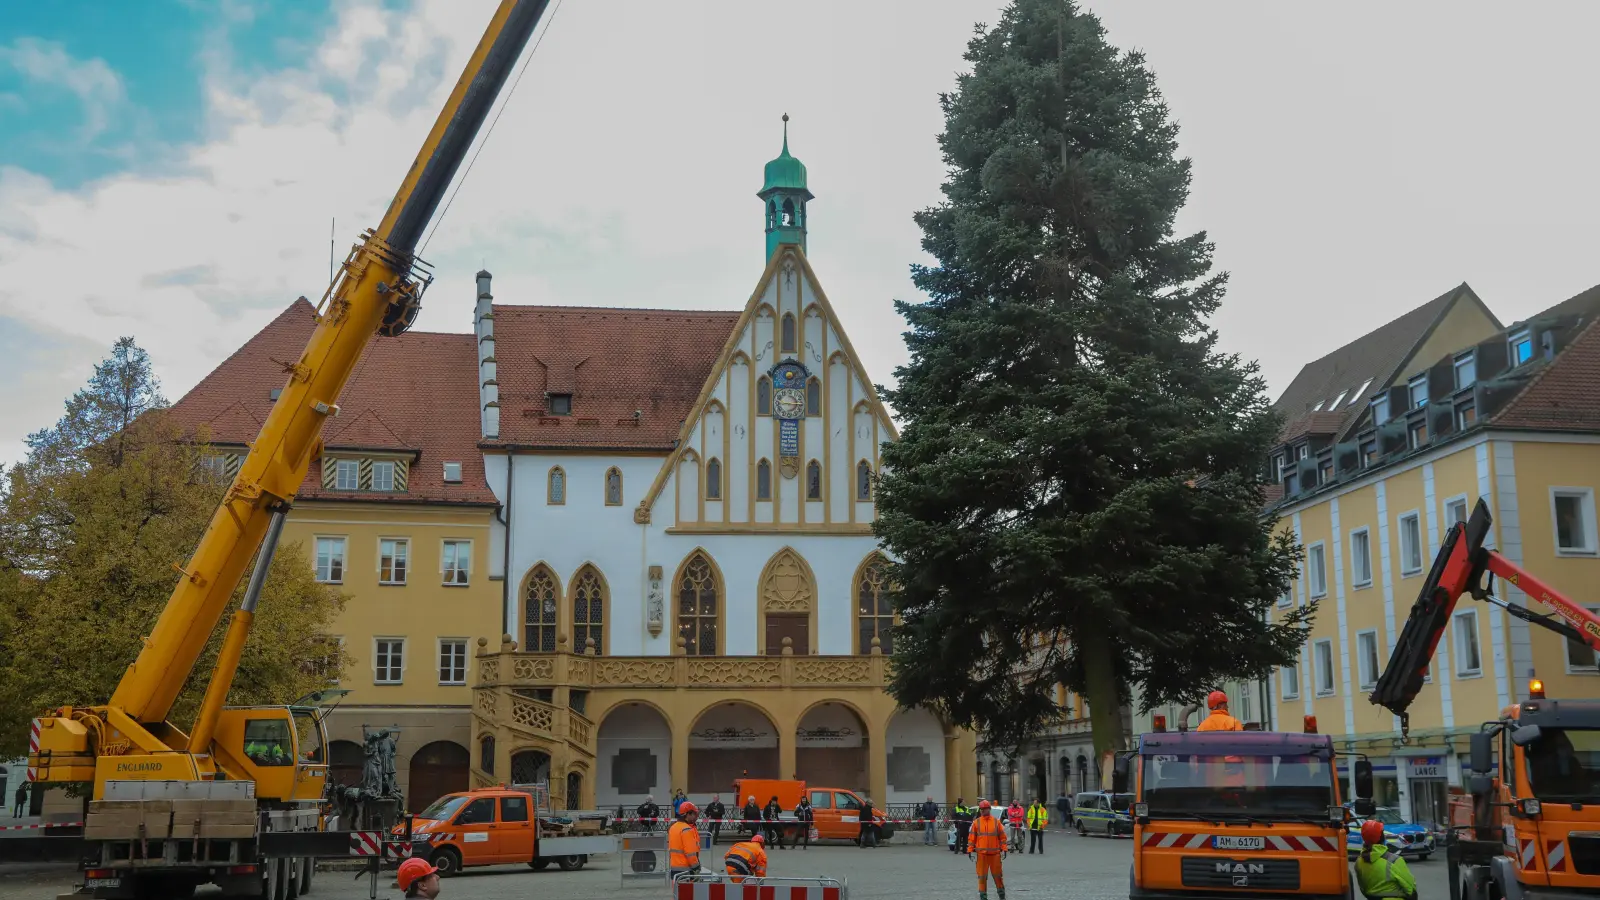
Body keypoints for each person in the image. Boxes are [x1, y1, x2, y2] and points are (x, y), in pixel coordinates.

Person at [1354, 820, 1417, 900]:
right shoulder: (1394, 860)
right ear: (1381, 836)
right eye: (1382, 832)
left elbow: (1363, 889)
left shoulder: (1359, 862)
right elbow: (1410, 888)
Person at [966, 799, 1007, 900]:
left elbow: (1002, 837)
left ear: (989, 809)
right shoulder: (976, 823)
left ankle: (1002, 896)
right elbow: (972, 838)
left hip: (995, 855)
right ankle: (983, 897)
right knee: (982, 878)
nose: (982, 811)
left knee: (998, 877)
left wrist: (1004, 849)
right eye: (981, 809)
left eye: (984, 809)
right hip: (982, 855)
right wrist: (970, 850)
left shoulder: (996, 822)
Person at [668, 801, 704, 884]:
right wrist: (696, 868)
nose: (696, 817)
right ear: (688, 814)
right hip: (686, 869)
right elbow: (690, 853)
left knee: (677, 894)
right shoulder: (686, 829)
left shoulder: (673, 827)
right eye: (694, 814)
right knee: (688, 895)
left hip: (675, 867)